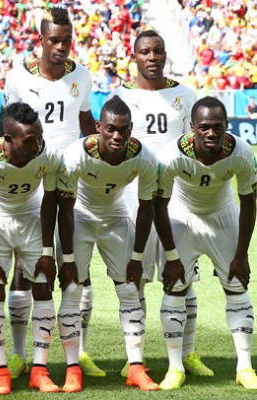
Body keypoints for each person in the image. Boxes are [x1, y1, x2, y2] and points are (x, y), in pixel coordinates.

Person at [2, 7, 97, 378]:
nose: (60, 47)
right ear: (40, 40)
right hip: (31, 180)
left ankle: (80, 352)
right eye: (54, 40)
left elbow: (86, 121)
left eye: (66, 41)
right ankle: (19, 354)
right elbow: (8, 126)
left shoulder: (82, 76)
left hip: (71, 180)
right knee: (25, 266)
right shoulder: (17, 76)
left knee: (76, 265)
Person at [107, 30, 205, 378]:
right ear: (134, 57)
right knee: (134, 278)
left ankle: (187, 354)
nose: (152, 57)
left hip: (177, 201)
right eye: (145, 51)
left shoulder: (186, 96)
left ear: (165, 55)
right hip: (133, 202)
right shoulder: (121, 96)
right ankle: (134, 357)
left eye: (158, 51)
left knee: (183, 276)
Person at [57, 96, 159, 392]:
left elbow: (147, 207)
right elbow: (64, 208)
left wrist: (137, 257)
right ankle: (72, 368)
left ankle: (136, 367)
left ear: (131, 129)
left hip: (115, 215)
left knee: (129, 289)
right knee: (72, 290)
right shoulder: (77, 153)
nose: (117, 136)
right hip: (80, 215)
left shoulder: (145, 157)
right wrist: (67, 259)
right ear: (98, 127)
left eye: (124, 130)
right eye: (111, 128)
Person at [155, 97, 257, 390]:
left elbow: (249, 203)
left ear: (226, 126)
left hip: (223, 215)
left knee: (236, 286)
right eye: (204, 127)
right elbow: (159, 206)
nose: (211, 133)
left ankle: (245, 367)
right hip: (182, 215)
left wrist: (241, 254)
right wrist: (171, 256)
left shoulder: (241, 152)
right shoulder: (171, 154)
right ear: (192, 127)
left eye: (217, 127)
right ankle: (175, 368)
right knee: (174, 287)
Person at [0, 102, 69, 393]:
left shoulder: (48, 153)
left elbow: (50, 200)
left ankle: (39, 369)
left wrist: (48, 251)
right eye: (29, 141)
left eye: (39, 137)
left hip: (32, 218)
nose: (37, 145)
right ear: (7, 140)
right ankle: (1, 370)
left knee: (43, 287)